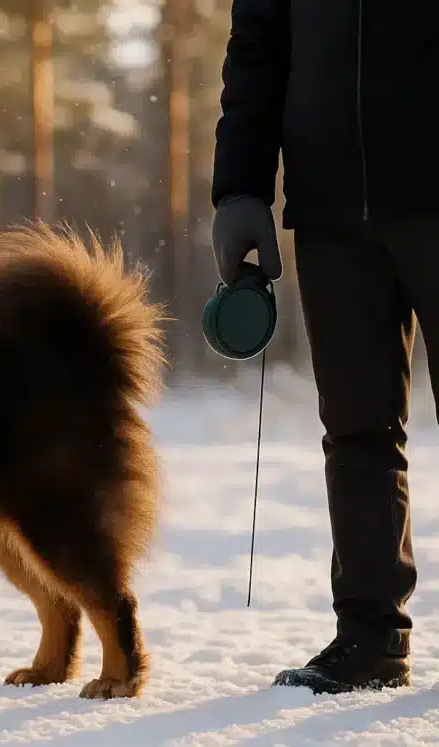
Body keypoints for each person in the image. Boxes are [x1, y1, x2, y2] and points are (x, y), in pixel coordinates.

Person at [210, 0, 439, 694]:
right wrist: (240, 187)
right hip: (331, 208)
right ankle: (370, 639)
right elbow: (257, 45)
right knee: (355, 428)